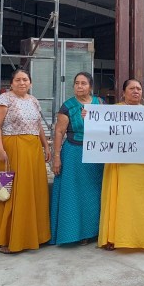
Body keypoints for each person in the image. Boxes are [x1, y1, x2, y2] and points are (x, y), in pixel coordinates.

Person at [0, 68, 51, 254]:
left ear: (30, 83)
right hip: (12, 148)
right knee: (13, 192)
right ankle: (8, 238)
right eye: (18, 80)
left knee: (31, 191)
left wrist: (46, 145)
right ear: (12, 83)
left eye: (25, 79)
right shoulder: (4, 99)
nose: (22, 83)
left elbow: (38, 125)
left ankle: (34, 236)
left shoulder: (33, 101)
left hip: (32, 150)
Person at [98, 79, 144, 251]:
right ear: (123, 92)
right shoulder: (113, 110)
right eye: (132, 88)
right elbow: (98, 131)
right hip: (121, 164)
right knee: (121, 199)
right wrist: (91, 117)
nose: (136, 91)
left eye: (138, 89)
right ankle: (115, 237)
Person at [50, 72, 103, 245]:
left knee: (94, 193)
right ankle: (75, 233)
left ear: (90, 86)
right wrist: (56, 157)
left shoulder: (100, 103)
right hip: (74, 154)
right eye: (77, 83)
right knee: (74, 194)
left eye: (83, 83)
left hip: (96, 155)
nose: (79, 86)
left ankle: (94, 231)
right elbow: (59, 132)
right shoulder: (68, 106)